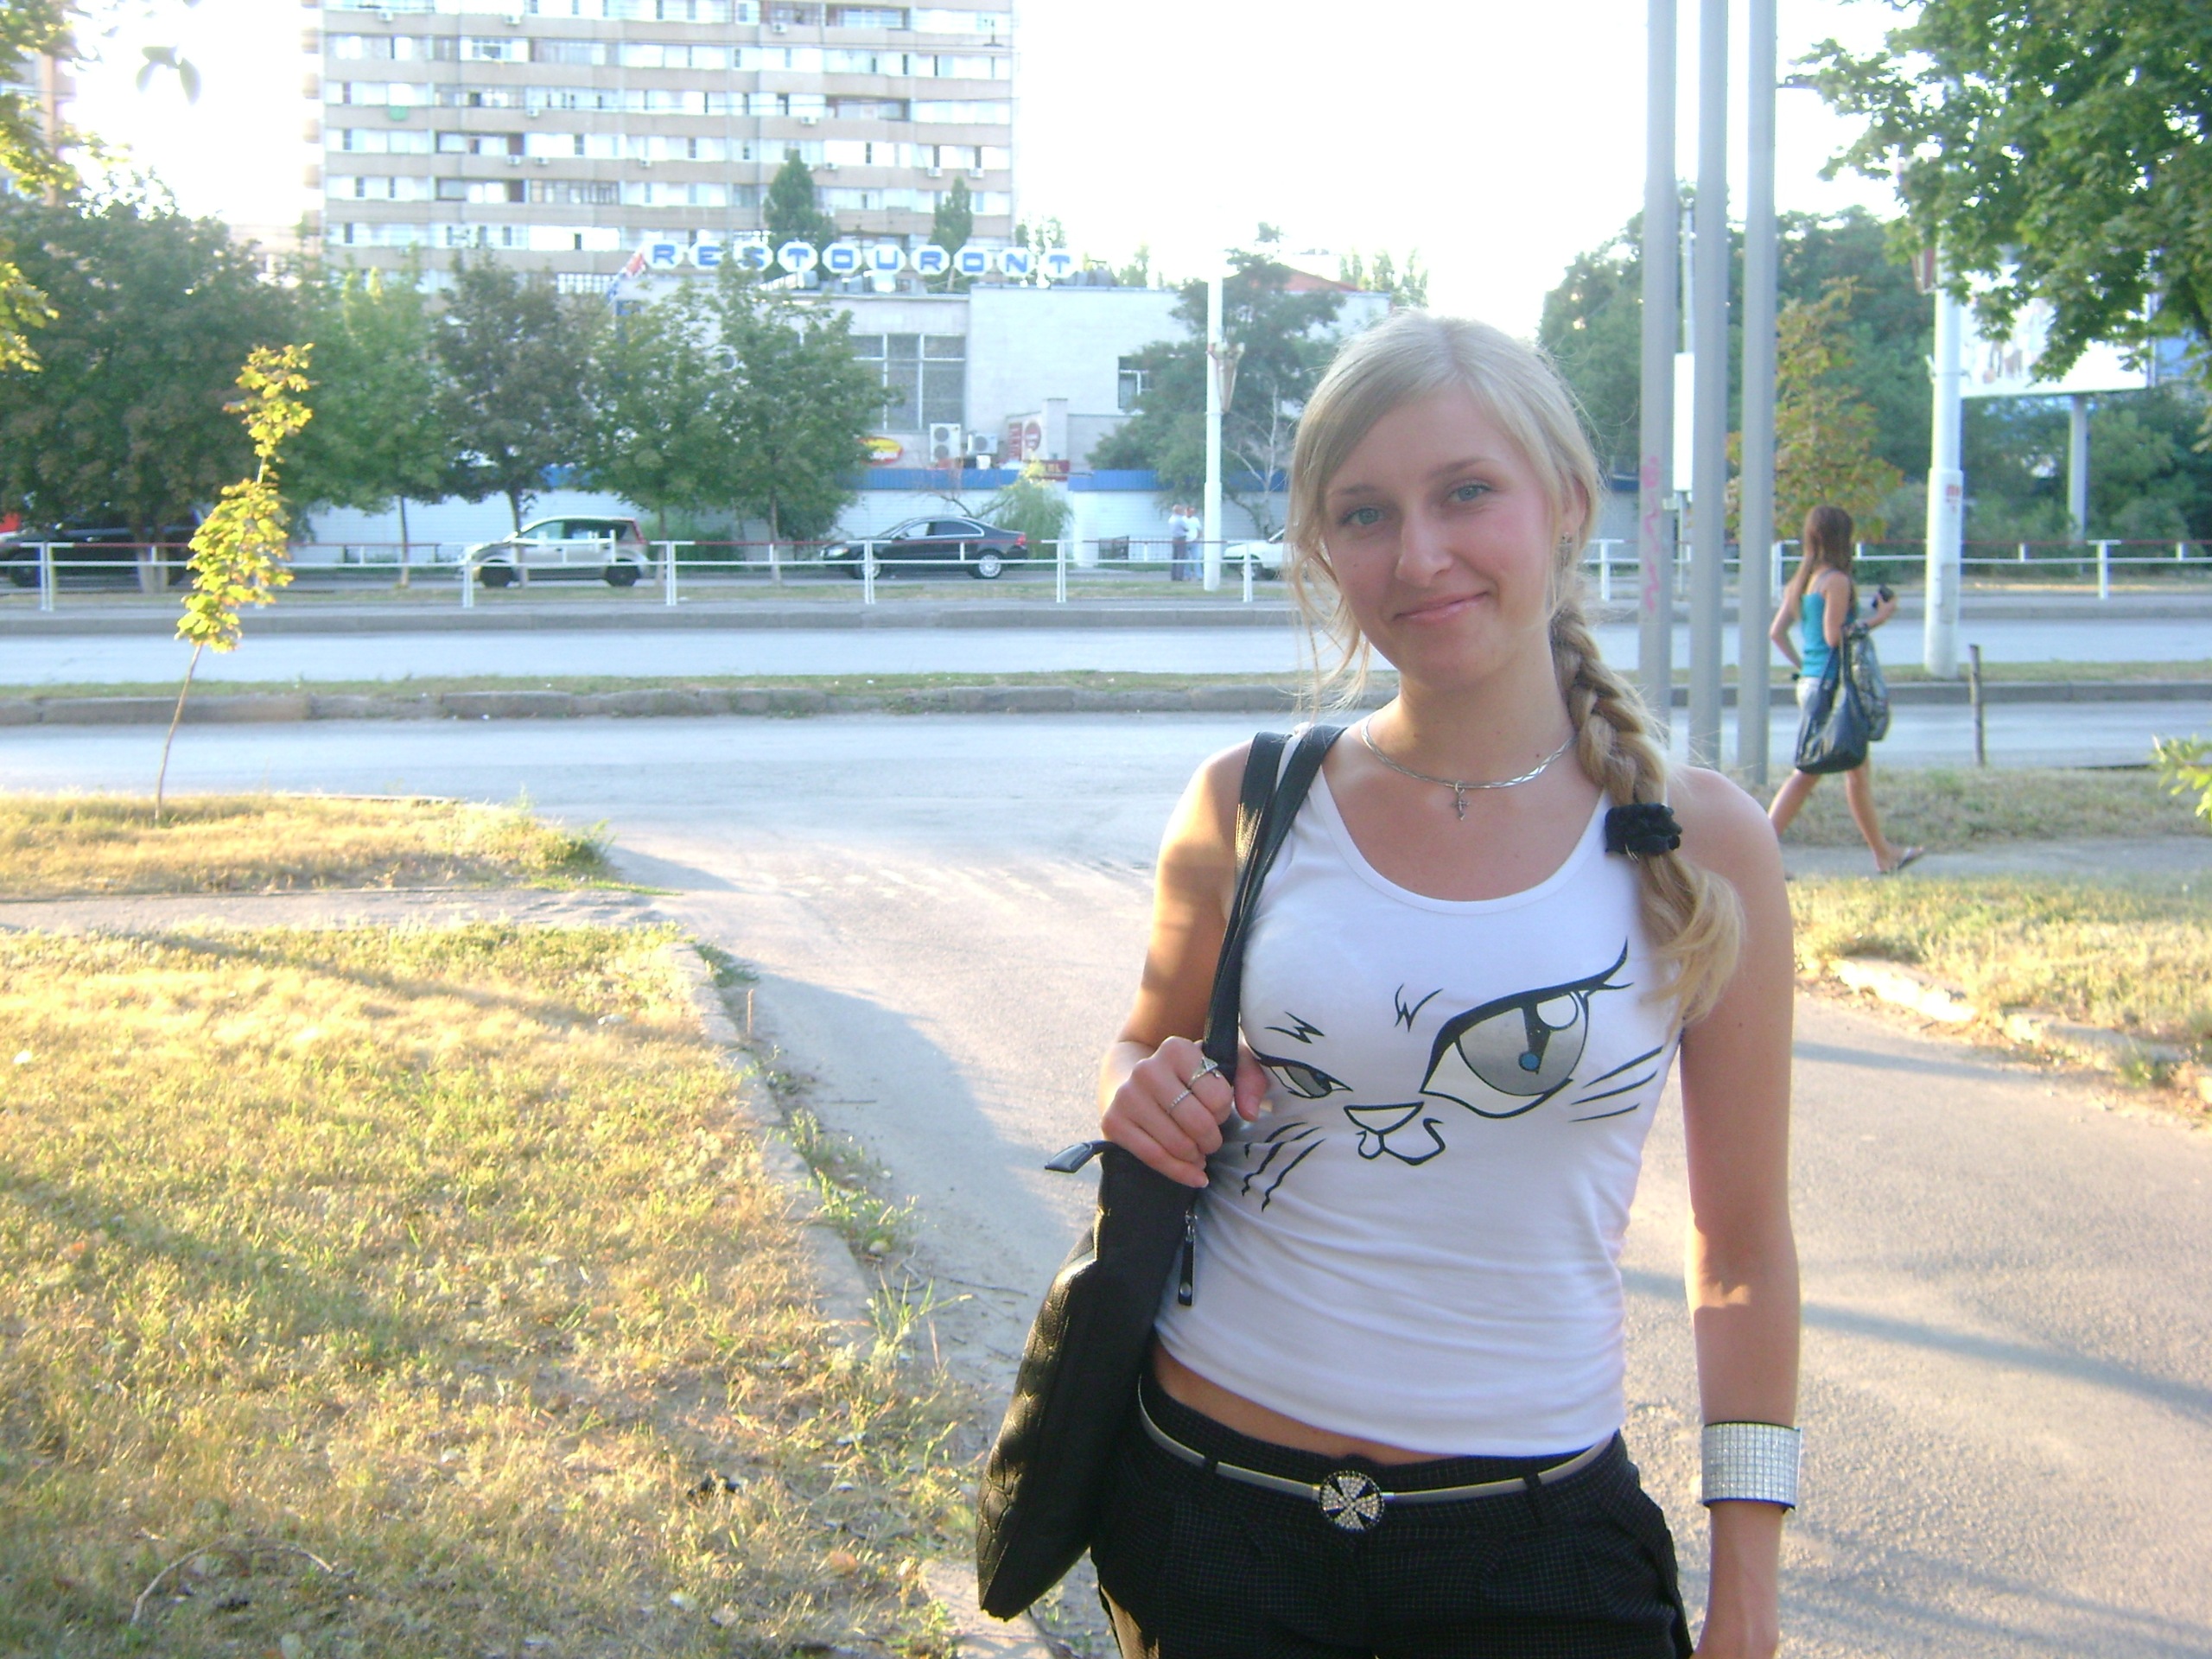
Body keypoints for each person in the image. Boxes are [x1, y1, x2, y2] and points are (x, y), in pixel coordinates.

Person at [1090, 312, 1799, 1659]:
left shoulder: (1703, 844)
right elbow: (1140, 1048)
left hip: (1537, 1550)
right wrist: (1141, 1092)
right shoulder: (1249, 801)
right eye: (1364, 513)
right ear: (1322, 549)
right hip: (1207, 1521)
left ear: (1569, 502)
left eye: (1467, 492)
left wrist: (1748, 1596)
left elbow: (1746, 1253)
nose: (1418, 556)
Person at [1764, 505, 1922, 874]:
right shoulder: (1836, 581)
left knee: (1854, 770)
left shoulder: (1801, 581)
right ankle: (1760, 853)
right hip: (1832, 689)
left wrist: (1804, 667)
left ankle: (1884, 854)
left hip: (1813, 683)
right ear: (1842, 538)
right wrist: (1879, 618)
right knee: (1808, 772)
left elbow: (1777, 633)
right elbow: (1836, 636)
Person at [1168, 502, 1192, 582]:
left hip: (1174, 538)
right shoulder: (1180, 520)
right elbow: (1186, 529)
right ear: (1178, 511)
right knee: (1181, 557)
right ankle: (1179, 577)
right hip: (1181, 539)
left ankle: (1173, 576)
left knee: (1174, 557)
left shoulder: (1171, 519)